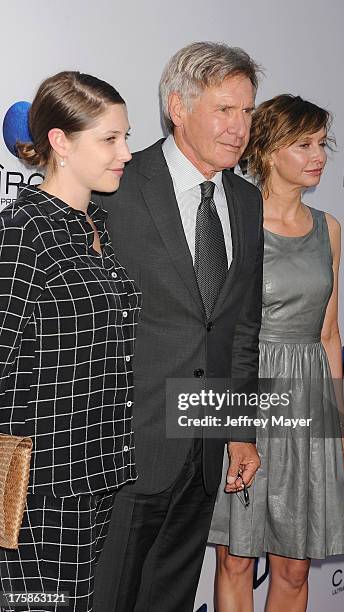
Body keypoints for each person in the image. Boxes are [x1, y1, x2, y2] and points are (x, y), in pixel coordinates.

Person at [93, 42, 263, 612]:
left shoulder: (245, 200)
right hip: (124, 444)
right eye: (225, 110)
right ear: (177, 107)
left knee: (170, 598)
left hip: (204, 447)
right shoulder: (117, 187)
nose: (240, 128)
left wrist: (240, 430)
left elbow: (240, 327)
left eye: (247, 112)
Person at [0, 71, 141, 612]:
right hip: (41, 489)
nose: (125, 152)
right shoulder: (25, 230)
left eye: (125, 136)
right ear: (60, 142)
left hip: (98, 471)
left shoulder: (94, 224)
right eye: (109, 139)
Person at [209, 94, 344, 612]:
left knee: (294, 564)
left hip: (309, 398)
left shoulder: (329, 228)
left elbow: (330, 333)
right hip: (248, 390)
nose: (319, 156)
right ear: (268, 152)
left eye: (322, 144)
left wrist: (338, 420)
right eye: (304, 144)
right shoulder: (233, 222)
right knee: (237, 558)